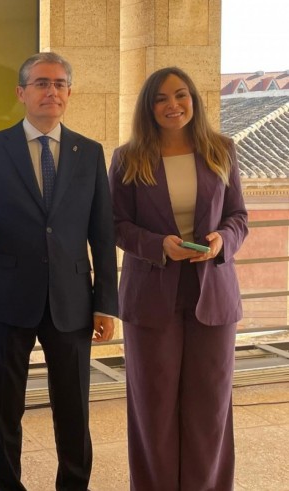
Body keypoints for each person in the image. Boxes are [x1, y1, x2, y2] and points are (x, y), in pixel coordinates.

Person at [0, 52, 118, 490]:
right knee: (6, 410)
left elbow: (102, 236)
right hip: (8, 298)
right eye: (42, 83)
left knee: (74, 410)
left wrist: (106, 304)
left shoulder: (90, 153)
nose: (52, 91)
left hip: (72, 303)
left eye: (61, 84)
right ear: (21, 92)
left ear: (69, 93)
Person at [109, 67, 248, 490]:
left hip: (214, 294)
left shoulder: (221, 150)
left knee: (210, 409)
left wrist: (223, 240)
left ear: (194, 100)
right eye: (162, 99)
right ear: (148, 107)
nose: (173, 105)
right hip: (151, 295)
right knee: (154, 408)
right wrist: (158, 246)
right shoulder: (128, 157)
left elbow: (239, 217)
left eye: (181, 95)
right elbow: (115, 224)